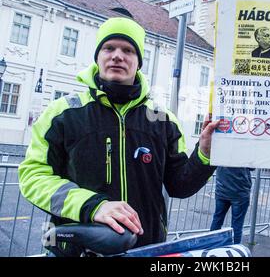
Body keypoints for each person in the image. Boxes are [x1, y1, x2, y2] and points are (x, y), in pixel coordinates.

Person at [18, 17, 220, 254]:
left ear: (138, 62)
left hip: (146, 248)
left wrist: (204, 153)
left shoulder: (163, 120)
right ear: (98, 56)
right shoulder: (62, 113)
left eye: (128, 50)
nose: (117, 55)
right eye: (108, 48)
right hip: (77, 249)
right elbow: (33, 176)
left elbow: (180, 185)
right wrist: (92, 206)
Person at [210, 167, 255, 244]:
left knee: (217, 219)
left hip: (222, 190)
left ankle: (211, 244)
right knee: (237, 225)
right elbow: (252, 167)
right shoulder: (247, 154)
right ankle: (234, 249)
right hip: (240, 192)